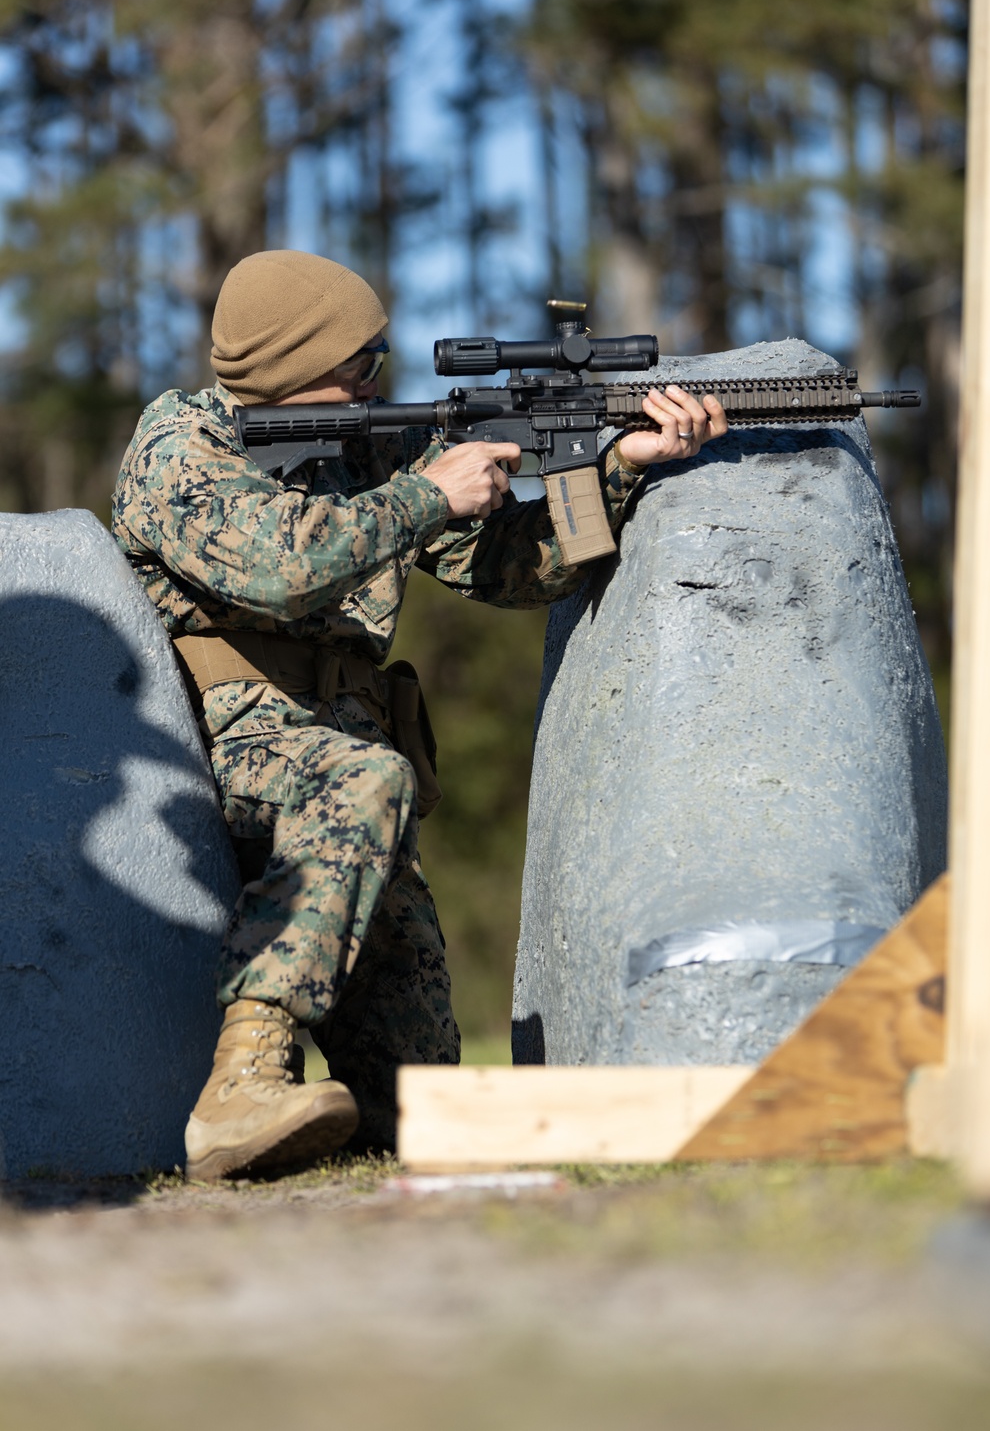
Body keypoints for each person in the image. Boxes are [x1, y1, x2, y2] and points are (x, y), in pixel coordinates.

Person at [112, 249, 728, 1180]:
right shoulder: (180, 444)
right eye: (360, 361)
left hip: (349, 786)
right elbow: (282, 568)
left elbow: (512, 570)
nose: (375, 376)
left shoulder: (373, 444)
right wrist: (423, 494)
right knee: (367, 776)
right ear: (290, 365)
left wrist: (615, 469)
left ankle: (325, 1124)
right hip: (213, 747)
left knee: (420, 1103)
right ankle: (244, 1081)